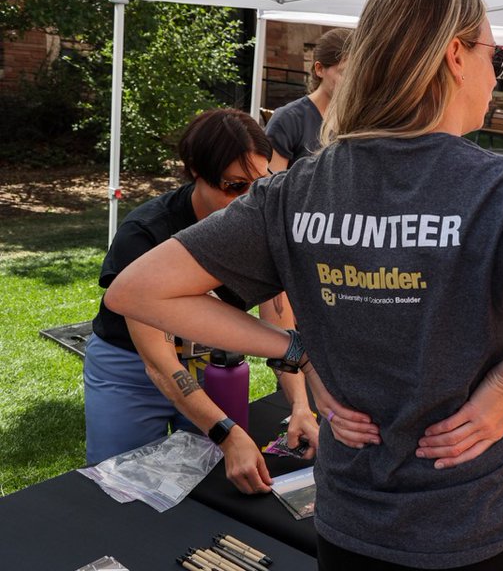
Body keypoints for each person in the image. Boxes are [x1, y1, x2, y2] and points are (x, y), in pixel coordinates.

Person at [107, 0, 503, 571]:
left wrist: (296, 349)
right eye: (499, 55)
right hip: (481, 520)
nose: (499, 75)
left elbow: (138, 289)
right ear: (455, 56)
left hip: (350, 528)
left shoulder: (295, 191)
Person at [83, 109, 342, 493]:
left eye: (260, 184)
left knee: (208, 482)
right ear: (194, 172)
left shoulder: (259, 224)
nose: (247, 200)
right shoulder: (145, 233)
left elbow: (278, 316)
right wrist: (225, 432)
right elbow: (158, 360)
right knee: (124, 484)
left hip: (210, 364)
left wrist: (300, 407)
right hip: (131, 369)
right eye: (234, 186)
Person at [266, 27, 352, 172]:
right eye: (344, 72)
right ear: (319, 69)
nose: (351, 81)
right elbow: (271, 188)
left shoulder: (357, 119)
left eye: (356, 74)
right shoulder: (288, 120)